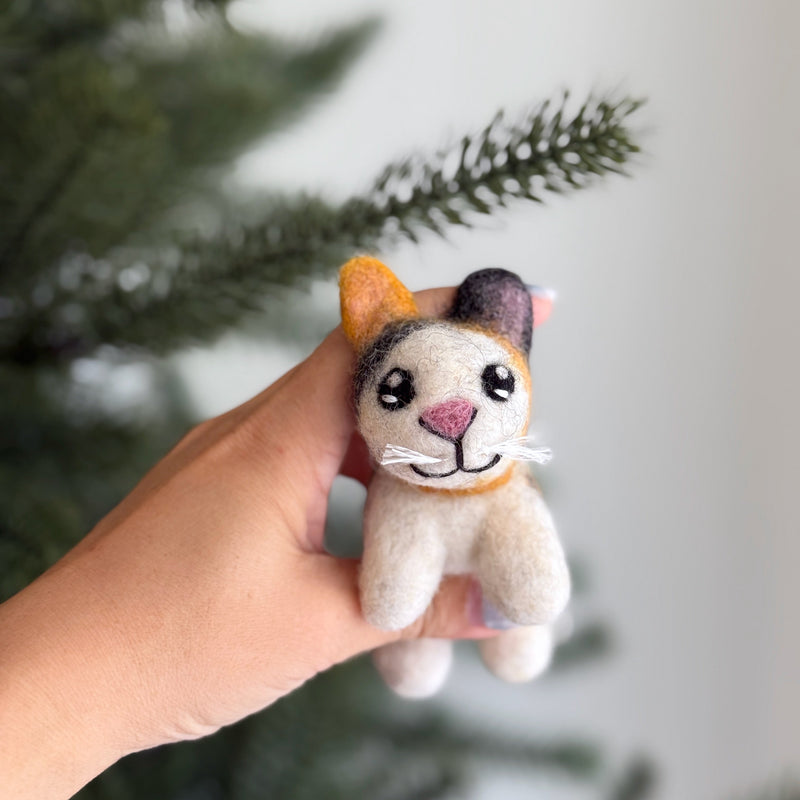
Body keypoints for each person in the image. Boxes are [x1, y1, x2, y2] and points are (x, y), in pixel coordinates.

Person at [0, 284, 499, 799]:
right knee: (402, 594)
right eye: (395, 392)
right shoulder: (391, 487)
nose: (451, 419)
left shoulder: (503, 488)